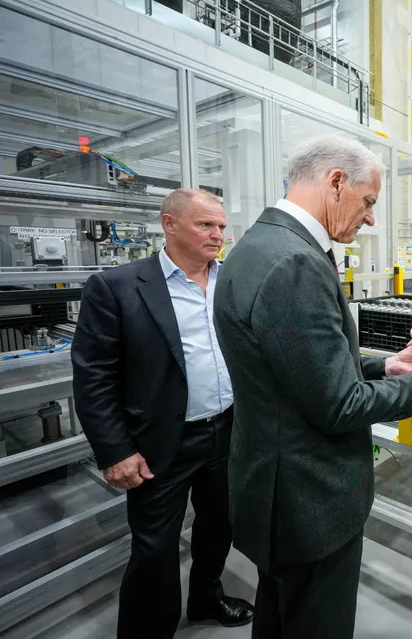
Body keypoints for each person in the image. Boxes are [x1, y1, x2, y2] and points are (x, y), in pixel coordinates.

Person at [213, 133, 412, 639]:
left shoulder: (256, 246)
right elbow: (340, 406)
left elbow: (297, 368)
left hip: (274, 489)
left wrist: (384, 366)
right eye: (368, 202)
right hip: (309, 500)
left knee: (279, 617)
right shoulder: (295, 262)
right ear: (336, 182)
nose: (370, 219)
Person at [72, 188, 255, 639]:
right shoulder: (117, 286)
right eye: (206, 225)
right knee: (155, 548)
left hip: (227, 431)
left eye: (222, 227)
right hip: (158, 442)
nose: (218, 235)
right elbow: (93, 376)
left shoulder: (232, 281)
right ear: (169, 225)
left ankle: (206, 599)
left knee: (219, 528)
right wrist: (115, 450)